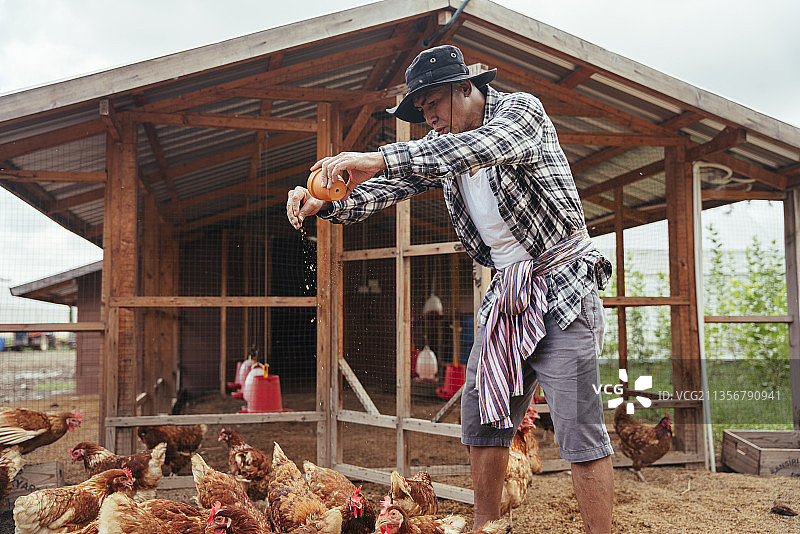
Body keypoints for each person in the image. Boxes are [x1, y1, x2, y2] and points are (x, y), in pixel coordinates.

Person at [286, 44, 614, 533]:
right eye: (421, 111)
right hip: (508, 294)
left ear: (467, 88)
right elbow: (390, 187)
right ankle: (485, 527)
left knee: (579, 431)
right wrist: (326, 205)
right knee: (483, 417)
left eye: (434, 102)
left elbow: (474, 149)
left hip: (563, 286)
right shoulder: (443, 144)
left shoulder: (520, 115)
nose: (429, 117)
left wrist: (378, 156)